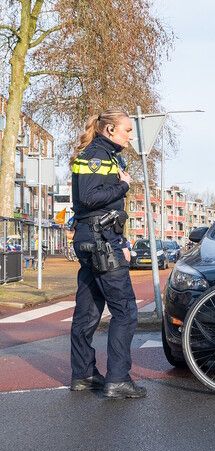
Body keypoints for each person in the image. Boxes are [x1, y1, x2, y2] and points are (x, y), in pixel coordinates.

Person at [68, 109, 146, 399]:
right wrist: (123, 185)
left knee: (88, 312)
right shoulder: (97, 156)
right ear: (110, 129)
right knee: (125, 311)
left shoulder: (107, 155)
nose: (130, 135)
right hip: (101, 241)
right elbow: (89, 198)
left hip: (97, 237)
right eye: (127, 129)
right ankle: (118, 379)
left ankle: (84, 374)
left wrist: (122, 242)